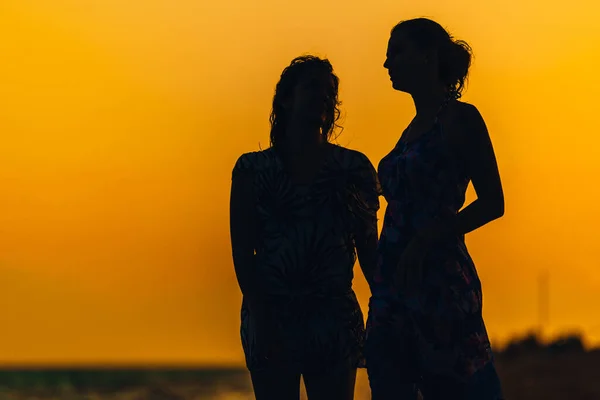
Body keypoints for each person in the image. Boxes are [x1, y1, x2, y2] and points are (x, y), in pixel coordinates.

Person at [365, 18, 505, 400]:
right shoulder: (412, 129)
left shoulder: (460, 119)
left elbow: (494, 202)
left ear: (428, 56)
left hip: (439, 281)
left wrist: (429, 237)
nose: (387, 63)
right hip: (392, 286)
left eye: (397, 51)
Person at [229, 55, 380, 400]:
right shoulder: (253, 170)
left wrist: (387, 314)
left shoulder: (352, 168)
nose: (324, 97)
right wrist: (262, 318)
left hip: (333, 318)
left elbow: (370, 252)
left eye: (330, 92)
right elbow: (243, 252)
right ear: (286, 99)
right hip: (270, 314)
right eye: (313, 88)